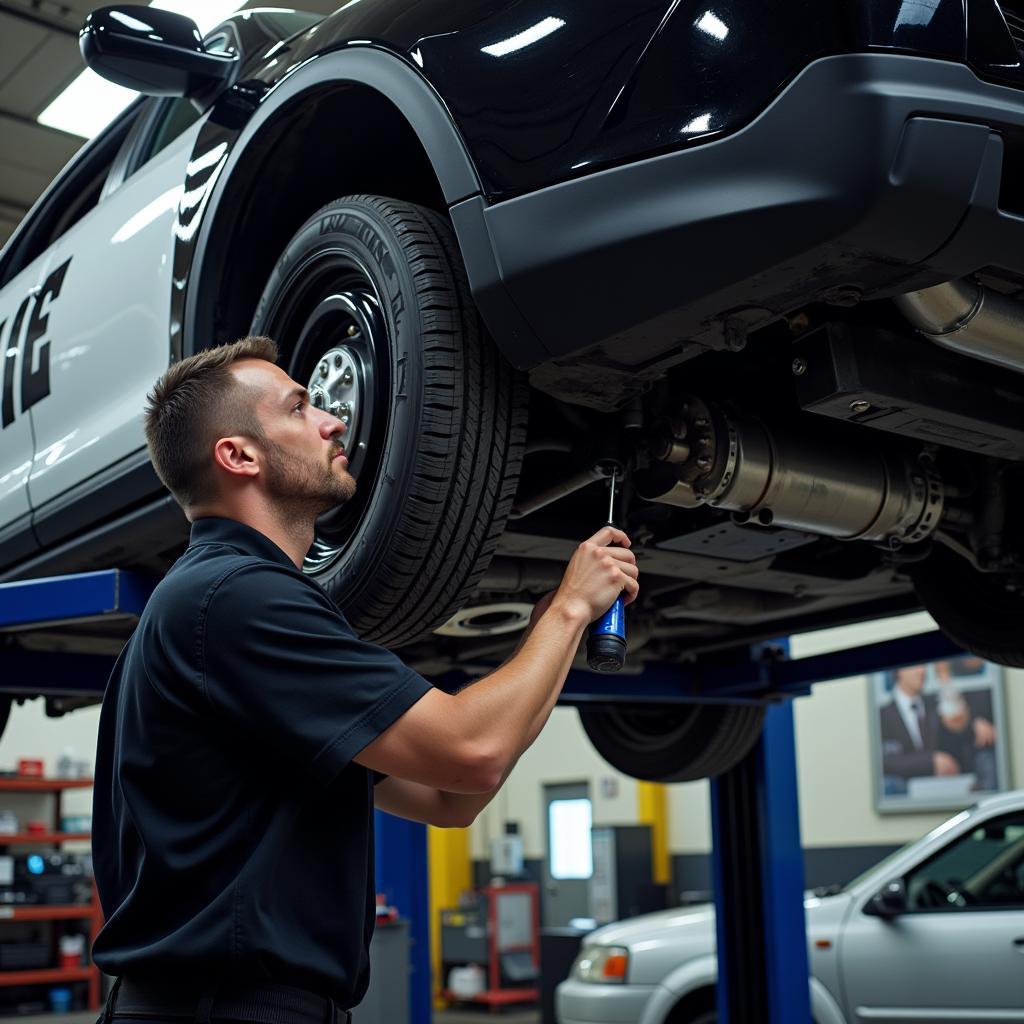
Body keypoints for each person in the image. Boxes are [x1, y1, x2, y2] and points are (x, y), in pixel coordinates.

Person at [90, 336, 639, 1024]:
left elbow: (450, 796)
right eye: (299, 408)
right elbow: (472, 753)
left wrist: (553, 637)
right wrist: (567, 609)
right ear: (239, 456)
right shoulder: (236, 599)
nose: (333, 419)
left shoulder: (219, 605)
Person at [879, 663, 997, 793]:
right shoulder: (883, 714)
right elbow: (885, 761)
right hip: (906, 791)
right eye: (915, 666)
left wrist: (973, 723)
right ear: (898, 671)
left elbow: (957, 731)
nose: (922, 671)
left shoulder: (934, 704)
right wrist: (930, 762)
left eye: (923, 665)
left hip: (945, 786)